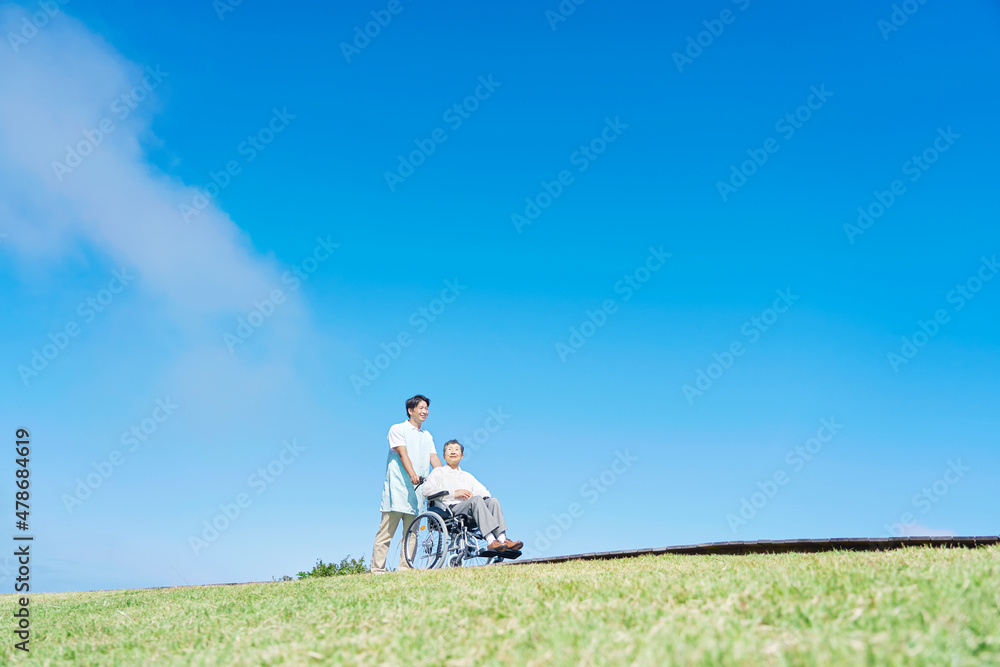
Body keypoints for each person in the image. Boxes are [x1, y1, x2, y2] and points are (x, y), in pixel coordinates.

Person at [371, 394, 442, 573]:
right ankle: (377, 570)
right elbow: (403, 454)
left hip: (417, 492)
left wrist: (443, 477)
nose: (425, 412)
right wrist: (412, 474)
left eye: (426, 408)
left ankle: (405, 568)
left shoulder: (427, 436)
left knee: (412, 533)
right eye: (421, 408)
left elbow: (434, 458)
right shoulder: (397, 429)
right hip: (397, 489)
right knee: (386, 533)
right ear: (410, 411)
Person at [420, 439, 522, 553]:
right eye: (450, 450)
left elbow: (485, 492)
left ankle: (502, 539)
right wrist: (454, 493)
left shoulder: (467, 476)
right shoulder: (438, 472)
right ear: (444, 456)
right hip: (450, 509)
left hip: (471, 510)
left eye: (456, 450)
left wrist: (473, 495)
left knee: (492, 501)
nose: (453, 452)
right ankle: (490, 540)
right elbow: (427, 491)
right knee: (477, 500)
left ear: (461, 456)